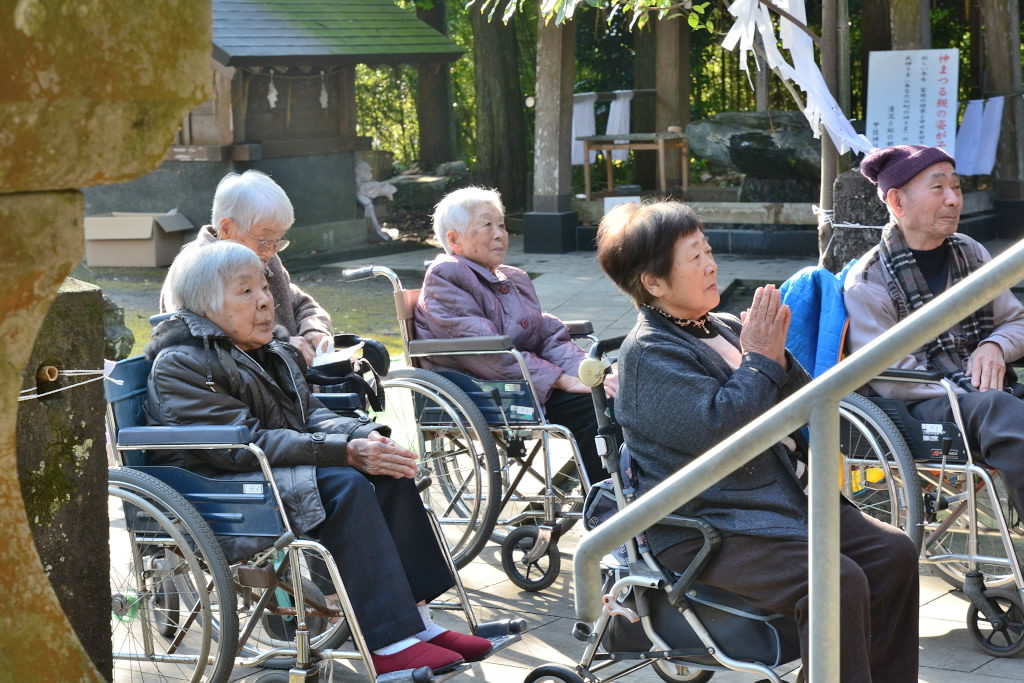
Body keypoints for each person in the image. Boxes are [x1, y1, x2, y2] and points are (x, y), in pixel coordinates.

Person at [596, 200, 919, 682]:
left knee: (893, 554)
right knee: (836, 580)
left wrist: (779, 362)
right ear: (654, 283)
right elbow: (721, 434)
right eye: (694, 257)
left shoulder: (722, 326)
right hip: (710, 524)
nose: (711, 264)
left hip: (777, 504)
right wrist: (762, 360)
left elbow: (804, 404)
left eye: (707, 250)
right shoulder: (648, 353)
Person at [146, 241, 492, 675]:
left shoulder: (265, 351)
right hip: (222, 490)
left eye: (265, 288)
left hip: (265, 474)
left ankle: (417, 624)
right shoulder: (181, 363)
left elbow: (309, 414)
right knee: (344, 485)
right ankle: (388, 643)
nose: (266, 300)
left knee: (388, 472)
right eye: (246, 291)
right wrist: (345, 453)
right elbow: (241, 445)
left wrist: (365, 437)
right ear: (204, 305)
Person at [844, 145, 1024, 519]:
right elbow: (892, 376)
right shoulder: (869, 281)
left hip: (981, 395)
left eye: (956, 188)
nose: (953, 199)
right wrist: (970, 392)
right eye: (938, 188)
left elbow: (1016, 320)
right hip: (921, 403)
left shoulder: (970, 252)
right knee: (998, 409)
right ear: (897, 201)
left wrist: (993, 346)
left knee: (999, 407)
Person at [413, 186, 617, 488]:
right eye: (487, 225)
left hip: (524, 380)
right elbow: (485, 350)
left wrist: (590, 373)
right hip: (489, 390)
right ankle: (612, 506)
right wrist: (561, 379)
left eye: (502, 225)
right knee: (595, 410)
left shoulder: (513, 278)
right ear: (454, 239)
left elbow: (546, 336)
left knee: (615, 395)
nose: (499, 234)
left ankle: (631, 495)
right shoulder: (447, 276)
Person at [159, 170, 332, 366]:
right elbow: (202, 345)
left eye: (278, 241)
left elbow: (302, 305)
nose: (270, 252)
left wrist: (314, 330)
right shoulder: (195, 270)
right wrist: (283, 346)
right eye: (264, 240)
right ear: (226, 229)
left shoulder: (263, 260)